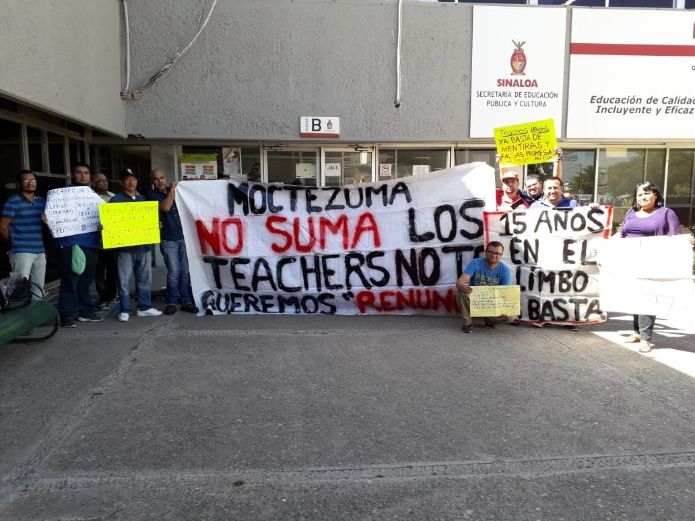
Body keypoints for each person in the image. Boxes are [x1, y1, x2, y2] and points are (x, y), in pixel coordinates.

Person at [620, 181, 681, 353]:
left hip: (652, 264)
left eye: (647, 193)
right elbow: (621, 235)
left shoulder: (666, 213)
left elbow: (675, 238)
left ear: (656, 195)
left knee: (647, 299)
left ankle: (646, 338)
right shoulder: (631, 212)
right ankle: (637, 332)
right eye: (639, 194)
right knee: (634, 298)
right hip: (629, 263)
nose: (643, 197)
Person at [110, 169, 162, 322]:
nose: (131, 182)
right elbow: (112, 224)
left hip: (144, 247)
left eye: (134, 179)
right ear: (121, 182)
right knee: (124, 280)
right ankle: (124, 309)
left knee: (145, 279)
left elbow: (149, 221)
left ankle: (144, 307)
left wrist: (155, 225)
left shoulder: (143, 198)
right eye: (127, 179)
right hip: (125, 248)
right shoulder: (115, 200)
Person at [55, 163, 102, 327]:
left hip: (91, 244)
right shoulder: (61, 196)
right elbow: (53, 216)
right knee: (69, 281)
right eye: (79, 172)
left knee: (87, 281)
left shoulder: (94, 197)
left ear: (90, 176)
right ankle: (67, 315)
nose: (82, 176)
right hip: (70, 245)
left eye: (86, 173)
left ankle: (86, 312)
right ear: (73, 175)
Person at [147, 169, 198, 316]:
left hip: (184, 237)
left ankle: (186, 300)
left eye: (162, 177)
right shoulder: (151, 195)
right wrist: (172, 191)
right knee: (174, 272)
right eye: (156, 179)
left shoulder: (177, 192)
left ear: (166, 177)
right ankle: (172, 301)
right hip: (168, 239)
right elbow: (165, 207)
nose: (160, 181)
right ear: (152, 181)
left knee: (185, 272)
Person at [0, 170, 47, 299]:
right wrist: (13, 245)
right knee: (17, 287)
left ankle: (36, 315)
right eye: (26, 180)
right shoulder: (13, 201)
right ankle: (13, 314)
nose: (30, 183)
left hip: (40, 250)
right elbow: (2, 227)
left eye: (33, 180)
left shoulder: (41, 201)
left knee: (38, 287)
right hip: (21, 250)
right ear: (19, 184)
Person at [455, 241, 514, 333]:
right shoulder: (475, 263)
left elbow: (505, 294)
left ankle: (490, 320)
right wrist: (460, 285)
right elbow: (460, 281)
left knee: (511, 316)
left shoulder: (505, 270)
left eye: (497, 253)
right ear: (486, 252)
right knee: (461, 291)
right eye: (491, 252)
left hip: (493, 302)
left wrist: (504, 309)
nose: (494, 255)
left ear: (501, 255)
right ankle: (468, 323)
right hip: (476, 299)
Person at [91, 172, 118, 308]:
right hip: (96, 243)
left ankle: (112, 295)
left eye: (106, 180)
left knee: (113, 271)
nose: (105, 182)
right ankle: (103, 297)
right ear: (93, 183)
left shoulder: (114, 197)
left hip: (113, 242)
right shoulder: (88, 198)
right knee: (99, 272)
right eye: (100, 181)